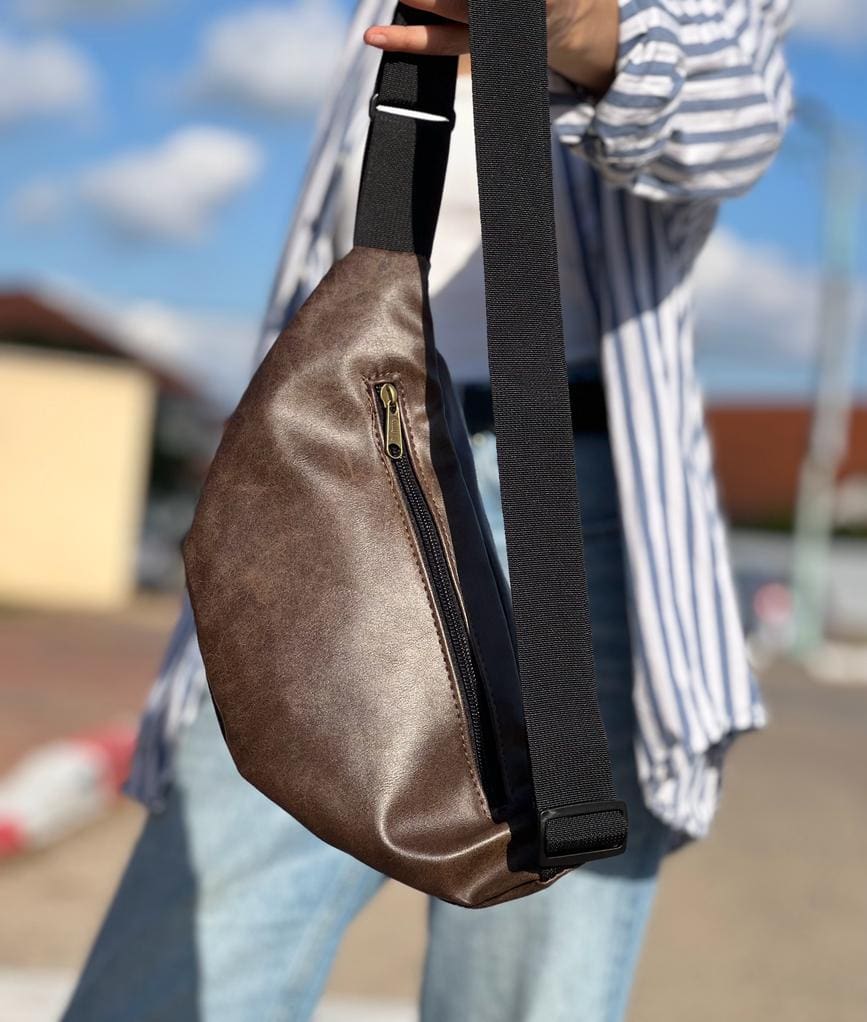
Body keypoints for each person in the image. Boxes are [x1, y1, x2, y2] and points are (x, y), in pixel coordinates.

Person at [63, 1, 793, 1019]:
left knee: (526, 991)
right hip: (338, 458)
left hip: (571, 496)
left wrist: (577, 28)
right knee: (174, 975)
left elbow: (741, 106)